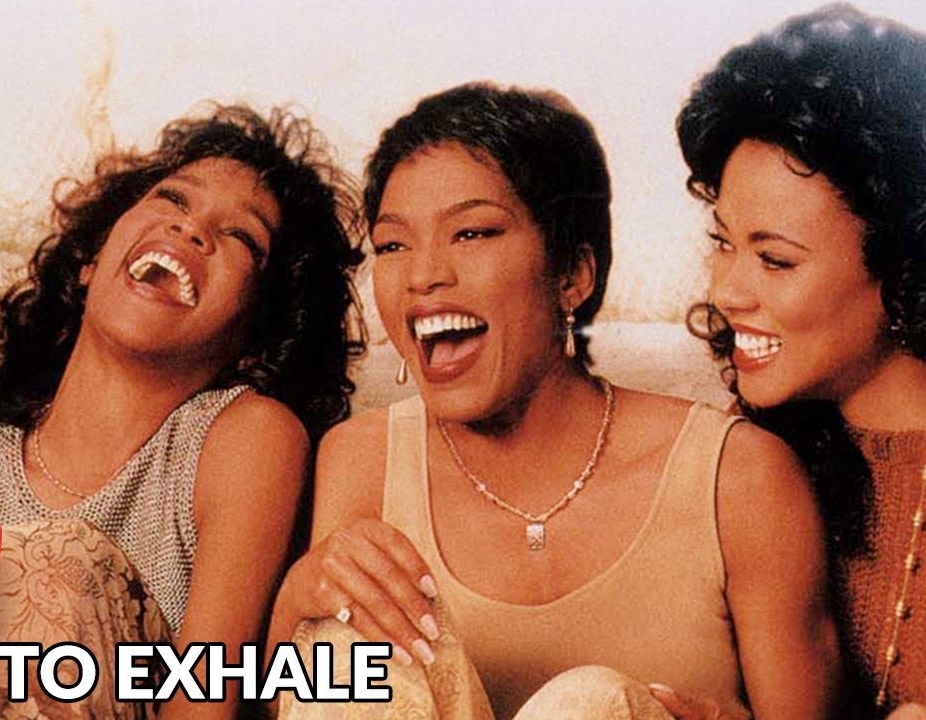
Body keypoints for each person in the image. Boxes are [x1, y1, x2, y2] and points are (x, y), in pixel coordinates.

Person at [267, 83, 839, 719]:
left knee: (588, 705)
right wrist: (297, 596)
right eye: (393, 245)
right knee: (345, 645)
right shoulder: (360, 458)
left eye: (472, 233)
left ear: (573, 275)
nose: (423, 275)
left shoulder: (740, 477)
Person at [0, 105, 363, 718]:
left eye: (242, 238)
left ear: (259, 336)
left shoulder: (246, 441)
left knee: (64, 564)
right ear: (90, 262)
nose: (192, 229)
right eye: (173, 199)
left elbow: (203, 705)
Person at [674, 5, 926, 718]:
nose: (726, 292)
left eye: (775, 259)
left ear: (903, 267)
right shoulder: (748, 458)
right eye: (723, 242)